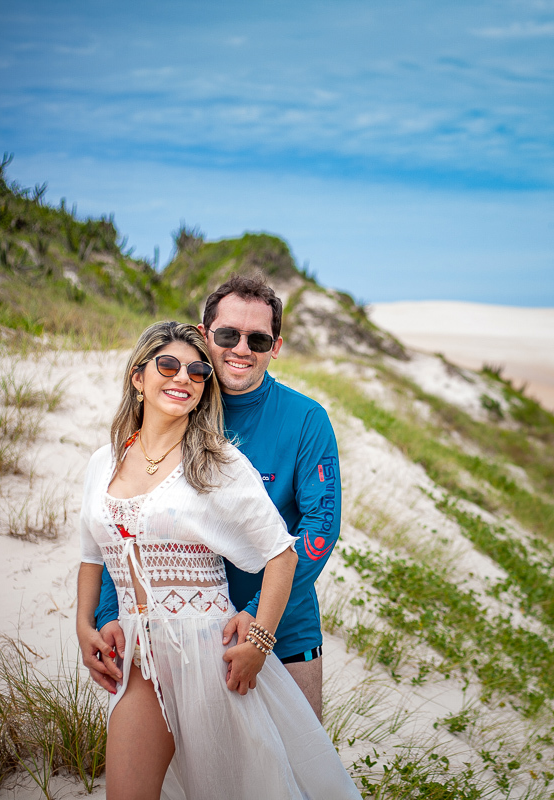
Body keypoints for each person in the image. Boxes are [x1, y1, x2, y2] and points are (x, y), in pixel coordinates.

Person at [75, 321, 360, 800]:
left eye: (197, 371)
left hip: (208, 660)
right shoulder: (103, 463)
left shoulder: (218, 463)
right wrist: (84, 624)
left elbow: (282, 553)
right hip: (141, 664)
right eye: (168, 365)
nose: (182, 377)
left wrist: (261, 640)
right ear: (138, 377)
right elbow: (91, 554)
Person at [85, 274, 340, 721]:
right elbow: (123, 522)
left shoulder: (306, 419)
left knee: (294, 780)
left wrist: (259, 619)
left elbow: (321, 525)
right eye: (228, 335)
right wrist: (107, 611)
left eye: (258, 339)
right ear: (205, 335)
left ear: (275, 347)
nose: (242, 348)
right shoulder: (174, 407)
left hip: (284, 635)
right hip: (180, 638)